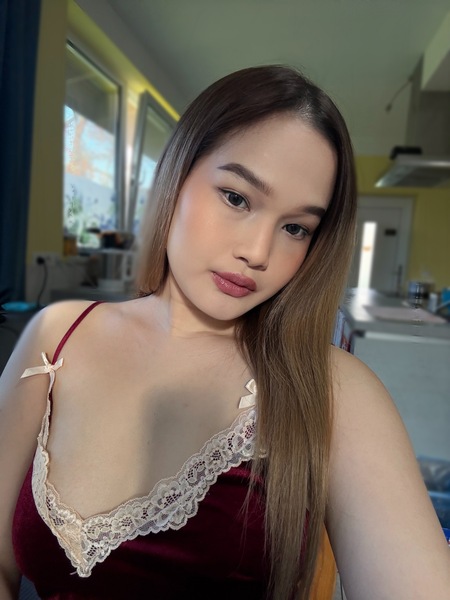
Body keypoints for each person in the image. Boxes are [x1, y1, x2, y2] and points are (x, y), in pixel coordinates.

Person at [0, 65, 449, 600]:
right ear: (176, 175)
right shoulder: (58, 336)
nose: (258, 252)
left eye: (296, 228)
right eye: (237, 198)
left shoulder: (331, 388)